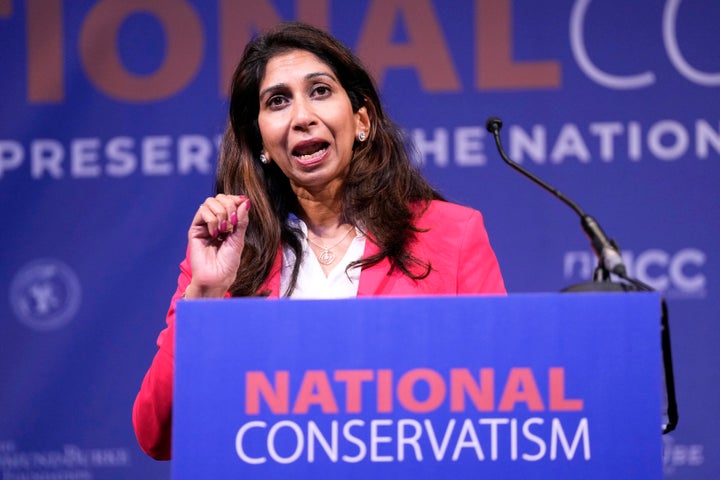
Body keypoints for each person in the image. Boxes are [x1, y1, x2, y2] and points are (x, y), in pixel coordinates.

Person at [132, 21, 505, 460]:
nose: (302, 116)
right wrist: (206, 298)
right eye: (277, 101)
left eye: (321, 91)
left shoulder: (451, 234)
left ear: (361, 119)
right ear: (261, 143)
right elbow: (159, 433)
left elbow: (497, 401)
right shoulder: (230, 256)